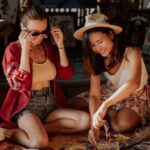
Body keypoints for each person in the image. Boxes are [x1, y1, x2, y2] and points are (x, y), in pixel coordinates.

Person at [0, 5, 90, 149]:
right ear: (23, 28)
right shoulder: (12, 50)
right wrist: (25, 49)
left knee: (86, 121)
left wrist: (60, 45)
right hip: (27, 107)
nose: (40, 37)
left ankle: (39, 129)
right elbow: (19, 85)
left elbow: (66, 75)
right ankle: (13, 133)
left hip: (50, 105)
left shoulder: (46, 46)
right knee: (40, 143)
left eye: (44, 32)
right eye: (35, 33)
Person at [74, 13, 150, 145]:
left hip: (136, 93)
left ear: (110, 34)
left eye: (100, 42)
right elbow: (94, 94)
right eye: (92, 45)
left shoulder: (132, 51)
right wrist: (93, 126)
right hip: (111, 91)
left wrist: (104, 105)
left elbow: (133, 83)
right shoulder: (95, 58)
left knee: (121, 125)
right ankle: (101, 115)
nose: (97, 48)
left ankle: (104, 113)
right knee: (70, 104)